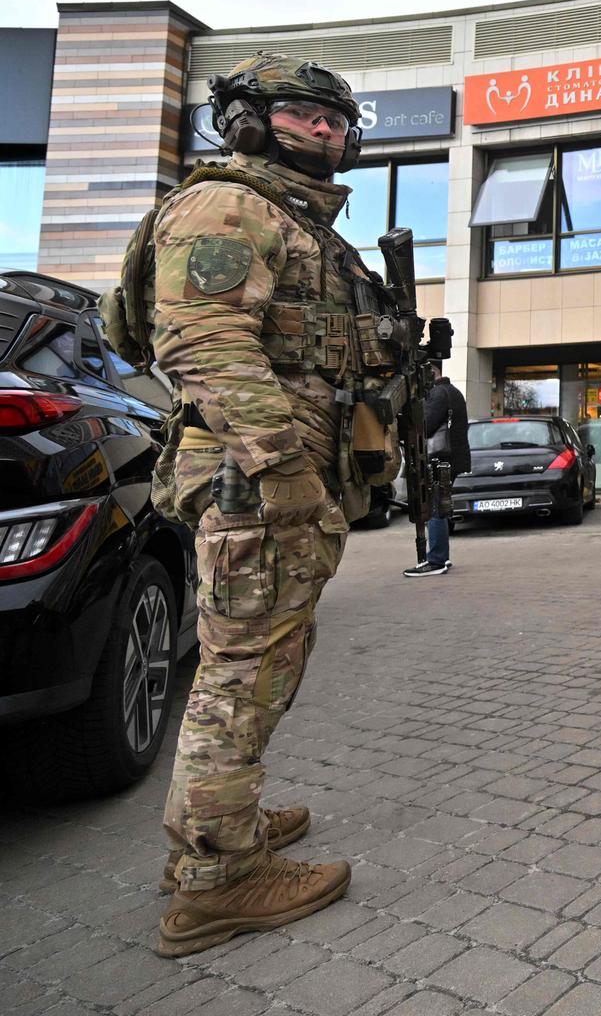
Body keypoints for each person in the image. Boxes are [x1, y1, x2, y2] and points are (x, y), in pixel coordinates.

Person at [151, 52, 398, 958]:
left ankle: (224, 828)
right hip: (259, 487)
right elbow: (204, 340)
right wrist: (285, 470)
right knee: (241, 672)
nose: (324, 130)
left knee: (259, 661)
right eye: (301, 113)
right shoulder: (230, 204)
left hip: (280, 486)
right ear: (249, 119)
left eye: (336, 118)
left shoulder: (297, 220)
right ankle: (218, 879)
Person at [404, 362, 470, 577]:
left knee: (434, 508)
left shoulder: (438, 394)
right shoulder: (451, 391)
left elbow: (425, 425)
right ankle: (440, 556)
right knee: (440, 505)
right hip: (450, 458)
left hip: (440, 459)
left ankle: (436, 559)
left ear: (429, 374)